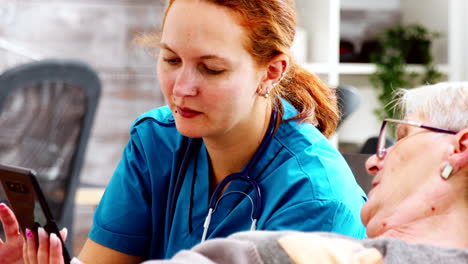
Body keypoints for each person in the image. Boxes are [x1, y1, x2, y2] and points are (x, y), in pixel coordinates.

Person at [0, 0, 367, 263]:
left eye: (210, 69)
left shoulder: (316, 200)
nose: (181, 88)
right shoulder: (156, 142)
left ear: (271, 72)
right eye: (172, 60)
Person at [50, 82, 464, 263]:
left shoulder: (307, 246)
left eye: (401, 137)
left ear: (461, 148)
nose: (375, 160)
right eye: (170, 59)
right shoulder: (158, 137)